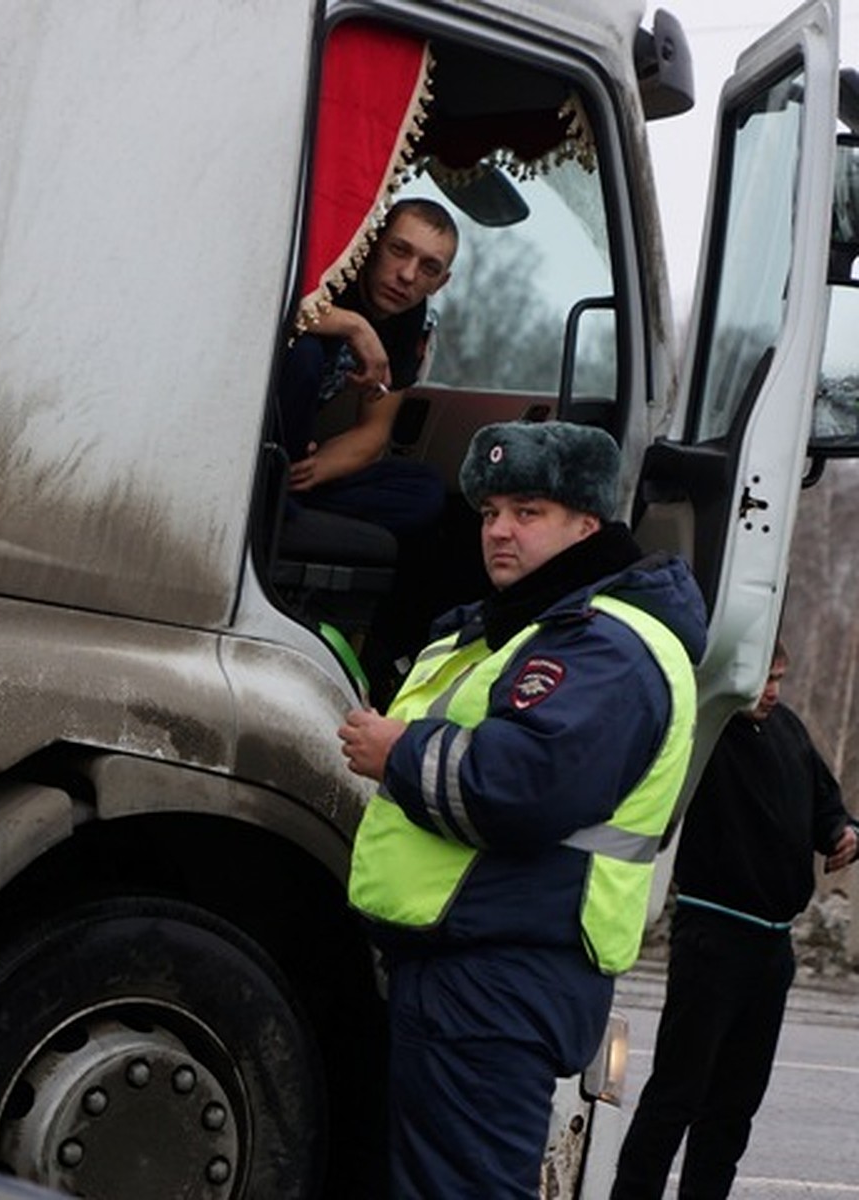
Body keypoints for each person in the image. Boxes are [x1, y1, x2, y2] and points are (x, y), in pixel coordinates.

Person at [338, 419, 707, 1199]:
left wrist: (396, 751)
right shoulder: (518, 629)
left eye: (528, 511)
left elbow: (524, 786)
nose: (500, 531)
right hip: (467, 965)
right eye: (489, 511)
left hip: (503, 974)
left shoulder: (606, 642)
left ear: (588, 522)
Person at [610, 643, 858, 1200]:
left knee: (734, 1108)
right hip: (711, 937)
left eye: (779, 680)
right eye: (764, 679)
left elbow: (827, 807)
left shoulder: (789, 730)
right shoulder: (702, 732)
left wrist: (845, 833)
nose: (772, 692)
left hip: (773, 949)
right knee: (677, 1095)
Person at [277, 196, 457, 539]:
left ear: (441, 282)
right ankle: (275, 495)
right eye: (399, 250)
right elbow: (270, 298)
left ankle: (283, 495)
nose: (407, 275)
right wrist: (354, 325)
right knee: (306, 351)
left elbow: (373, 431)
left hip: (295, 458)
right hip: (251, 430)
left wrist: (314, 470)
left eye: (428, 268)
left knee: (425, 490)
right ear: (372, 242)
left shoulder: (410, 319)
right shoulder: (332, 269)